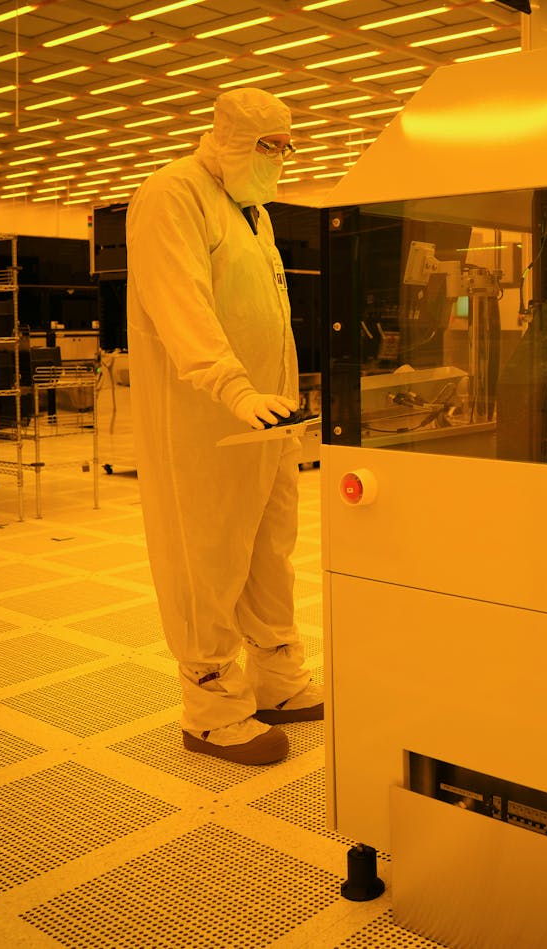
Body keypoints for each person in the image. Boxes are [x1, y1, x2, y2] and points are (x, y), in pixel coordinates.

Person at [126, 88, 320, 766]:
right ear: (232, 138)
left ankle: (277, 675)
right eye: (271, 145)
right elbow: (181, 304)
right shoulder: (173, 195)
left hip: (267, 418)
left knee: (270, 548)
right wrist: (234, 386)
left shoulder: (252, 213)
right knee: (205, 554)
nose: (283, 158)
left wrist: (286, 400)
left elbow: (268, 318)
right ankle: (211, 706)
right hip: (205, 418)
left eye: (287, 145)